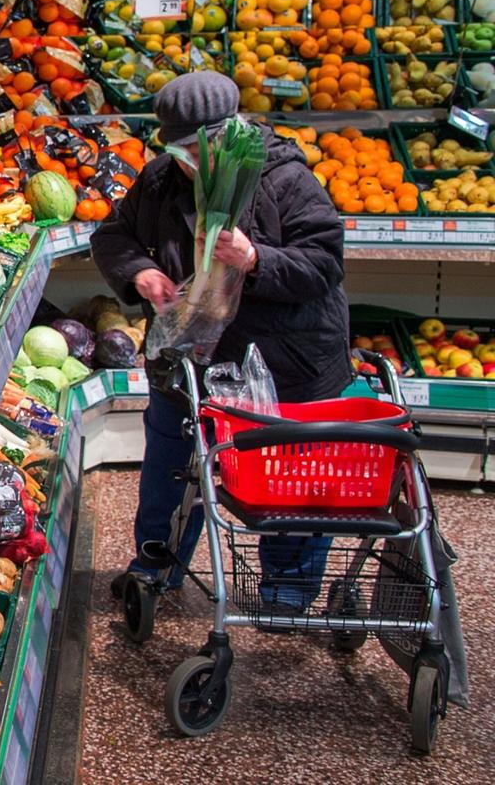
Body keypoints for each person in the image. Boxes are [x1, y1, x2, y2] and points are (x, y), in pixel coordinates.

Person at [89, 70, 350, 608]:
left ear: (227, 135)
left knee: (287, 477)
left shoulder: (284, 179)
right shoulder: (163, 179)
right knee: (171, 461)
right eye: (177, 148)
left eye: (195, 148)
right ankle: (156, 567)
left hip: (282, 360)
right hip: (191, 358)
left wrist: (257, 259)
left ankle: (288, 592)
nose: (185, 159)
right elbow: (113, 235)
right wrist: (140, 272)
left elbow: (324, 263)